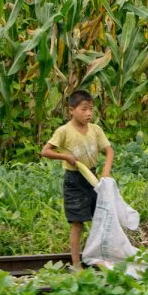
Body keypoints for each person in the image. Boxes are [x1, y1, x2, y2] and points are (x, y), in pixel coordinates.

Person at [40, 89, 114, 270]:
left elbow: (109, 150)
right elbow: (45, 151)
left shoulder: (96, 130)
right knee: (77, 223)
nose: (88, 113)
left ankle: (99, 258)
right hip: (74, 180)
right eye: (83, 109)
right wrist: (66, 157)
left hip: (93, 178)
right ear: (71, 110)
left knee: (101, 219)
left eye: (91, 109)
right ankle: (76, 264)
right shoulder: (64, 131)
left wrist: (105, 171)